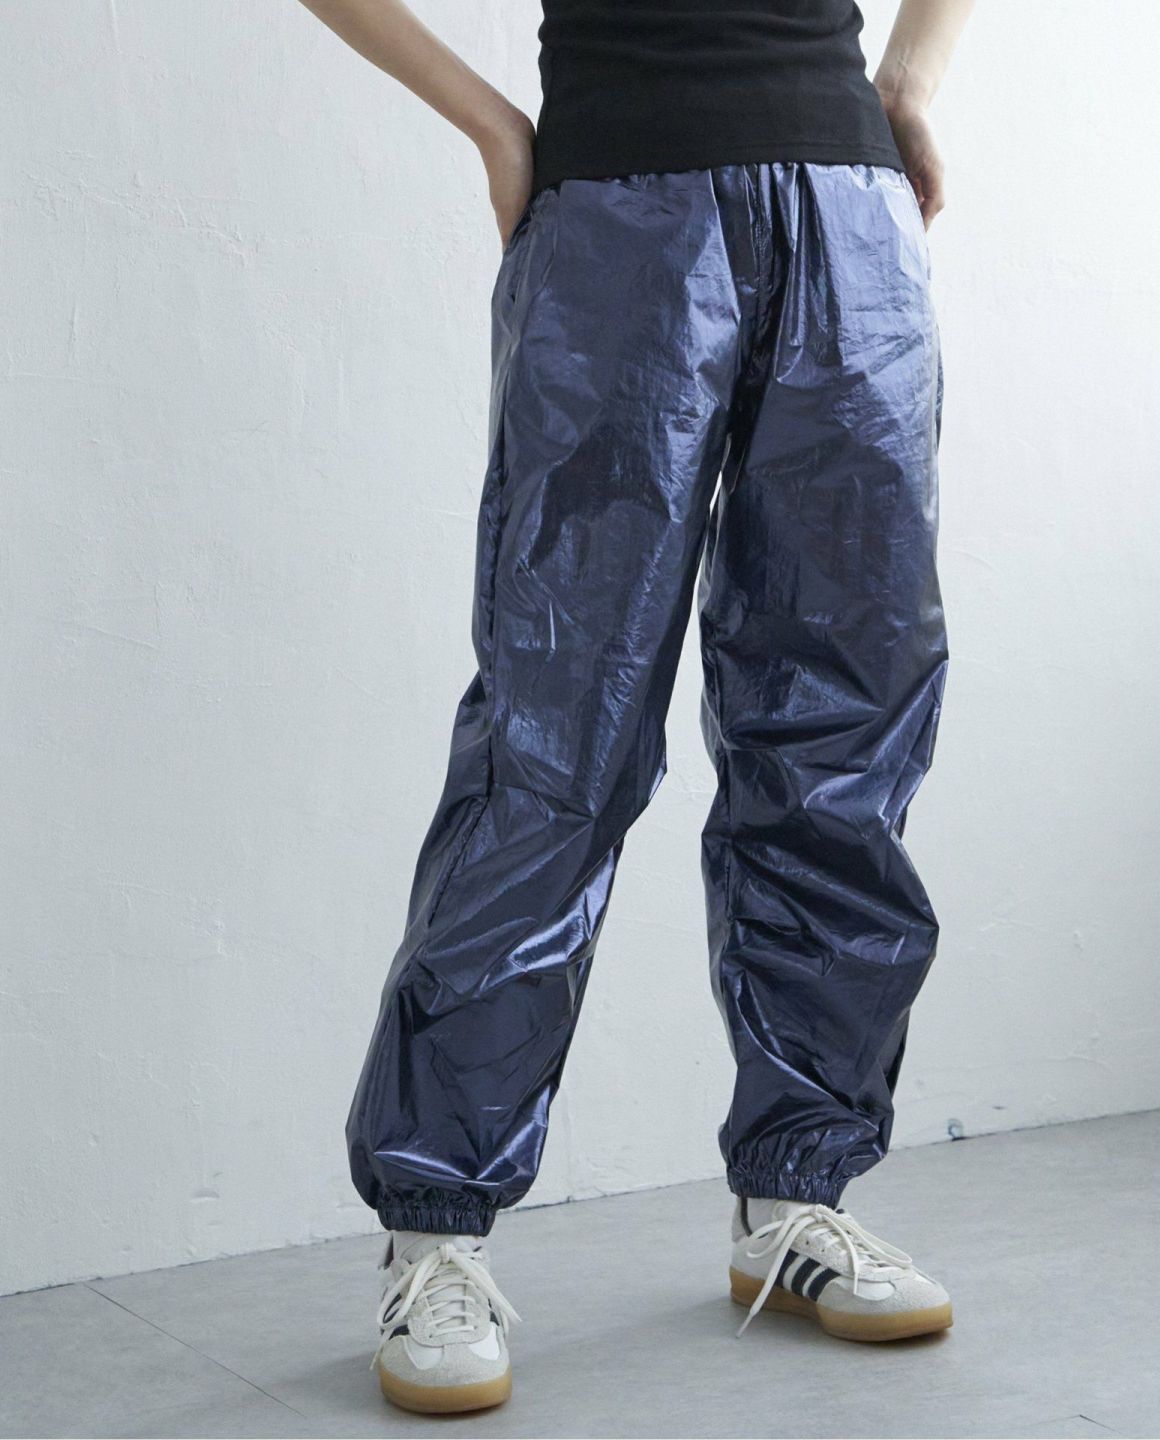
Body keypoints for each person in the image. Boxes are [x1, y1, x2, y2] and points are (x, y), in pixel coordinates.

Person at [298, 0, 974, 1415]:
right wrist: (491, 126)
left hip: (849, 218)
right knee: (556, 739)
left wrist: (911, 76)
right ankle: (435, 1228)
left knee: (842, 740)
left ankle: (795, 1194)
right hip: (618, 217)